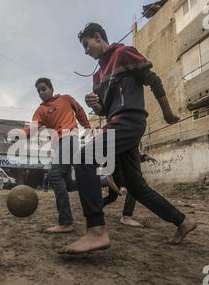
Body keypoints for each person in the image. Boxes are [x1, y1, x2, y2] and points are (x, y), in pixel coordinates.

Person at [59, 23, 197, 254]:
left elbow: (153, 79)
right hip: (116, 122)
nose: (85, 51)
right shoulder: (98, 75)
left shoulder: (123, 53)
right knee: (136, 186)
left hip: (129, 121)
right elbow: (105, 110)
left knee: (84, 157)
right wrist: (96, 105)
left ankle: (96, 231)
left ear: (97, 36)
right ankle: (182, 221)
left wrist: (167, 113)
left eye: (86, 45)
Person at [23, 78, 92, 234]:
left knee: (55, 176)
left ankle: (66, 222)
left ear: (51, 88)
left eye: (44, 88)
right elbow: (32, 129)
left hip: (69, 138)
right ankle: (101, 181)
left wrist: (87, 127)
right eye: (38, 91)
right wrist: (21, 134)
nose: (41, 93)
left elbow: (80, 111)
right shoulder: (40, 111)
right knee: (67, 183)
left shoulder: (66, 99)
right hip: (59, 144)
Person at [103, 154, 158, 227]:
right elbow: (128, 154)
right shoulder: (119, 144)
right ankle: (126, 216)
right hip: (116, 172)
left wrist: (144, 157)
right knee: (130, 189)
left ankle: (96, 207)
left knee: (114, 196)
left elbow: (130, 154)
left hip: (117, 172)